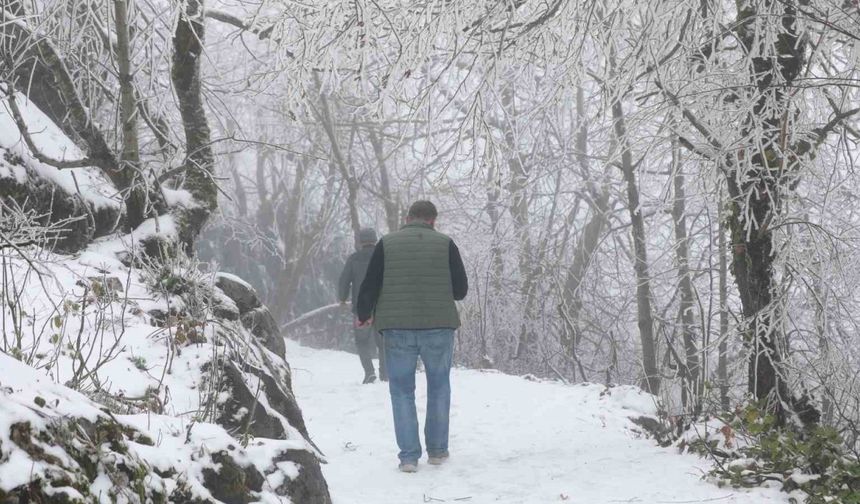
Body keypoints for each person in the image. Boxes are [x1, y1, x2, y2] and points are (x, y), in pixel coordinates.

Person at [357, 201, 468, 473]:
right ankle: (438, 451)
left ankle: (408, 457)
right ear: (433, 221)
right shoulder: (446, 244)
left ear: (408, 218)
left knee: (401, 391)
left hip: (397, 327)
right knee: (439, 387)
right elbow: (460, 290)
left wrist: (363, 312)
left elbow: (370, 282)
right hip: (439, 327)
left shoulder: (387, 243)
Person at [338, 227, 386, 384]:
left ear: (361, 242)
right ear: (375, 240)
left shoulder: (354, 258)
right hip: (382, 306)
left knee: (362, 341)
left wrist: (343, 298)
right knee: (383, 342)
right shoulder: (384, 257)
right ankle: (384, 373)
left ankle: (369, 372)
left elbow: (344, 280)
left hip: (362, 308)